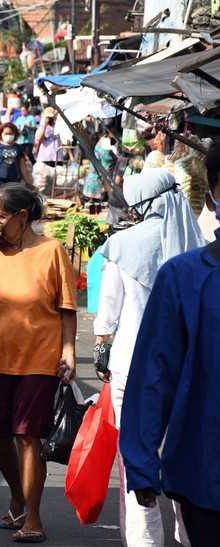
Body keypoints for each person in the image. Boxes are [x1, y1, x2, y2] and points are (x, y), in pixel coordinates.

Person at [0, 184, 77, 544]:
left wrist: (68, 350)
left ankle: (33, 515)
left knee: (27, 435)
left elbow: (67, 307)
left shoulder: (52, 251)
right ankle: (17, 494)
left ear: (23, 217)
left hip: (40, 358)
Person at [93, 169, 204, 546]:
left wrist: (100, 352)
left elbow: (107, 317)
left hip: (132, 370)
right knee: (188, 458)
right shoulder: (200, 246)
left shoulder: (122, 246)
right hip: (192, 372)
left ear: (139, 203)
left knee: (137, 463)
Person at [119, 142, 220, 547]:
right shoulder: (184, 278)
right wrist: (141, 463)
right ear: (213, 195)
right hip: (207, 475)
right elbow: (154, 374)